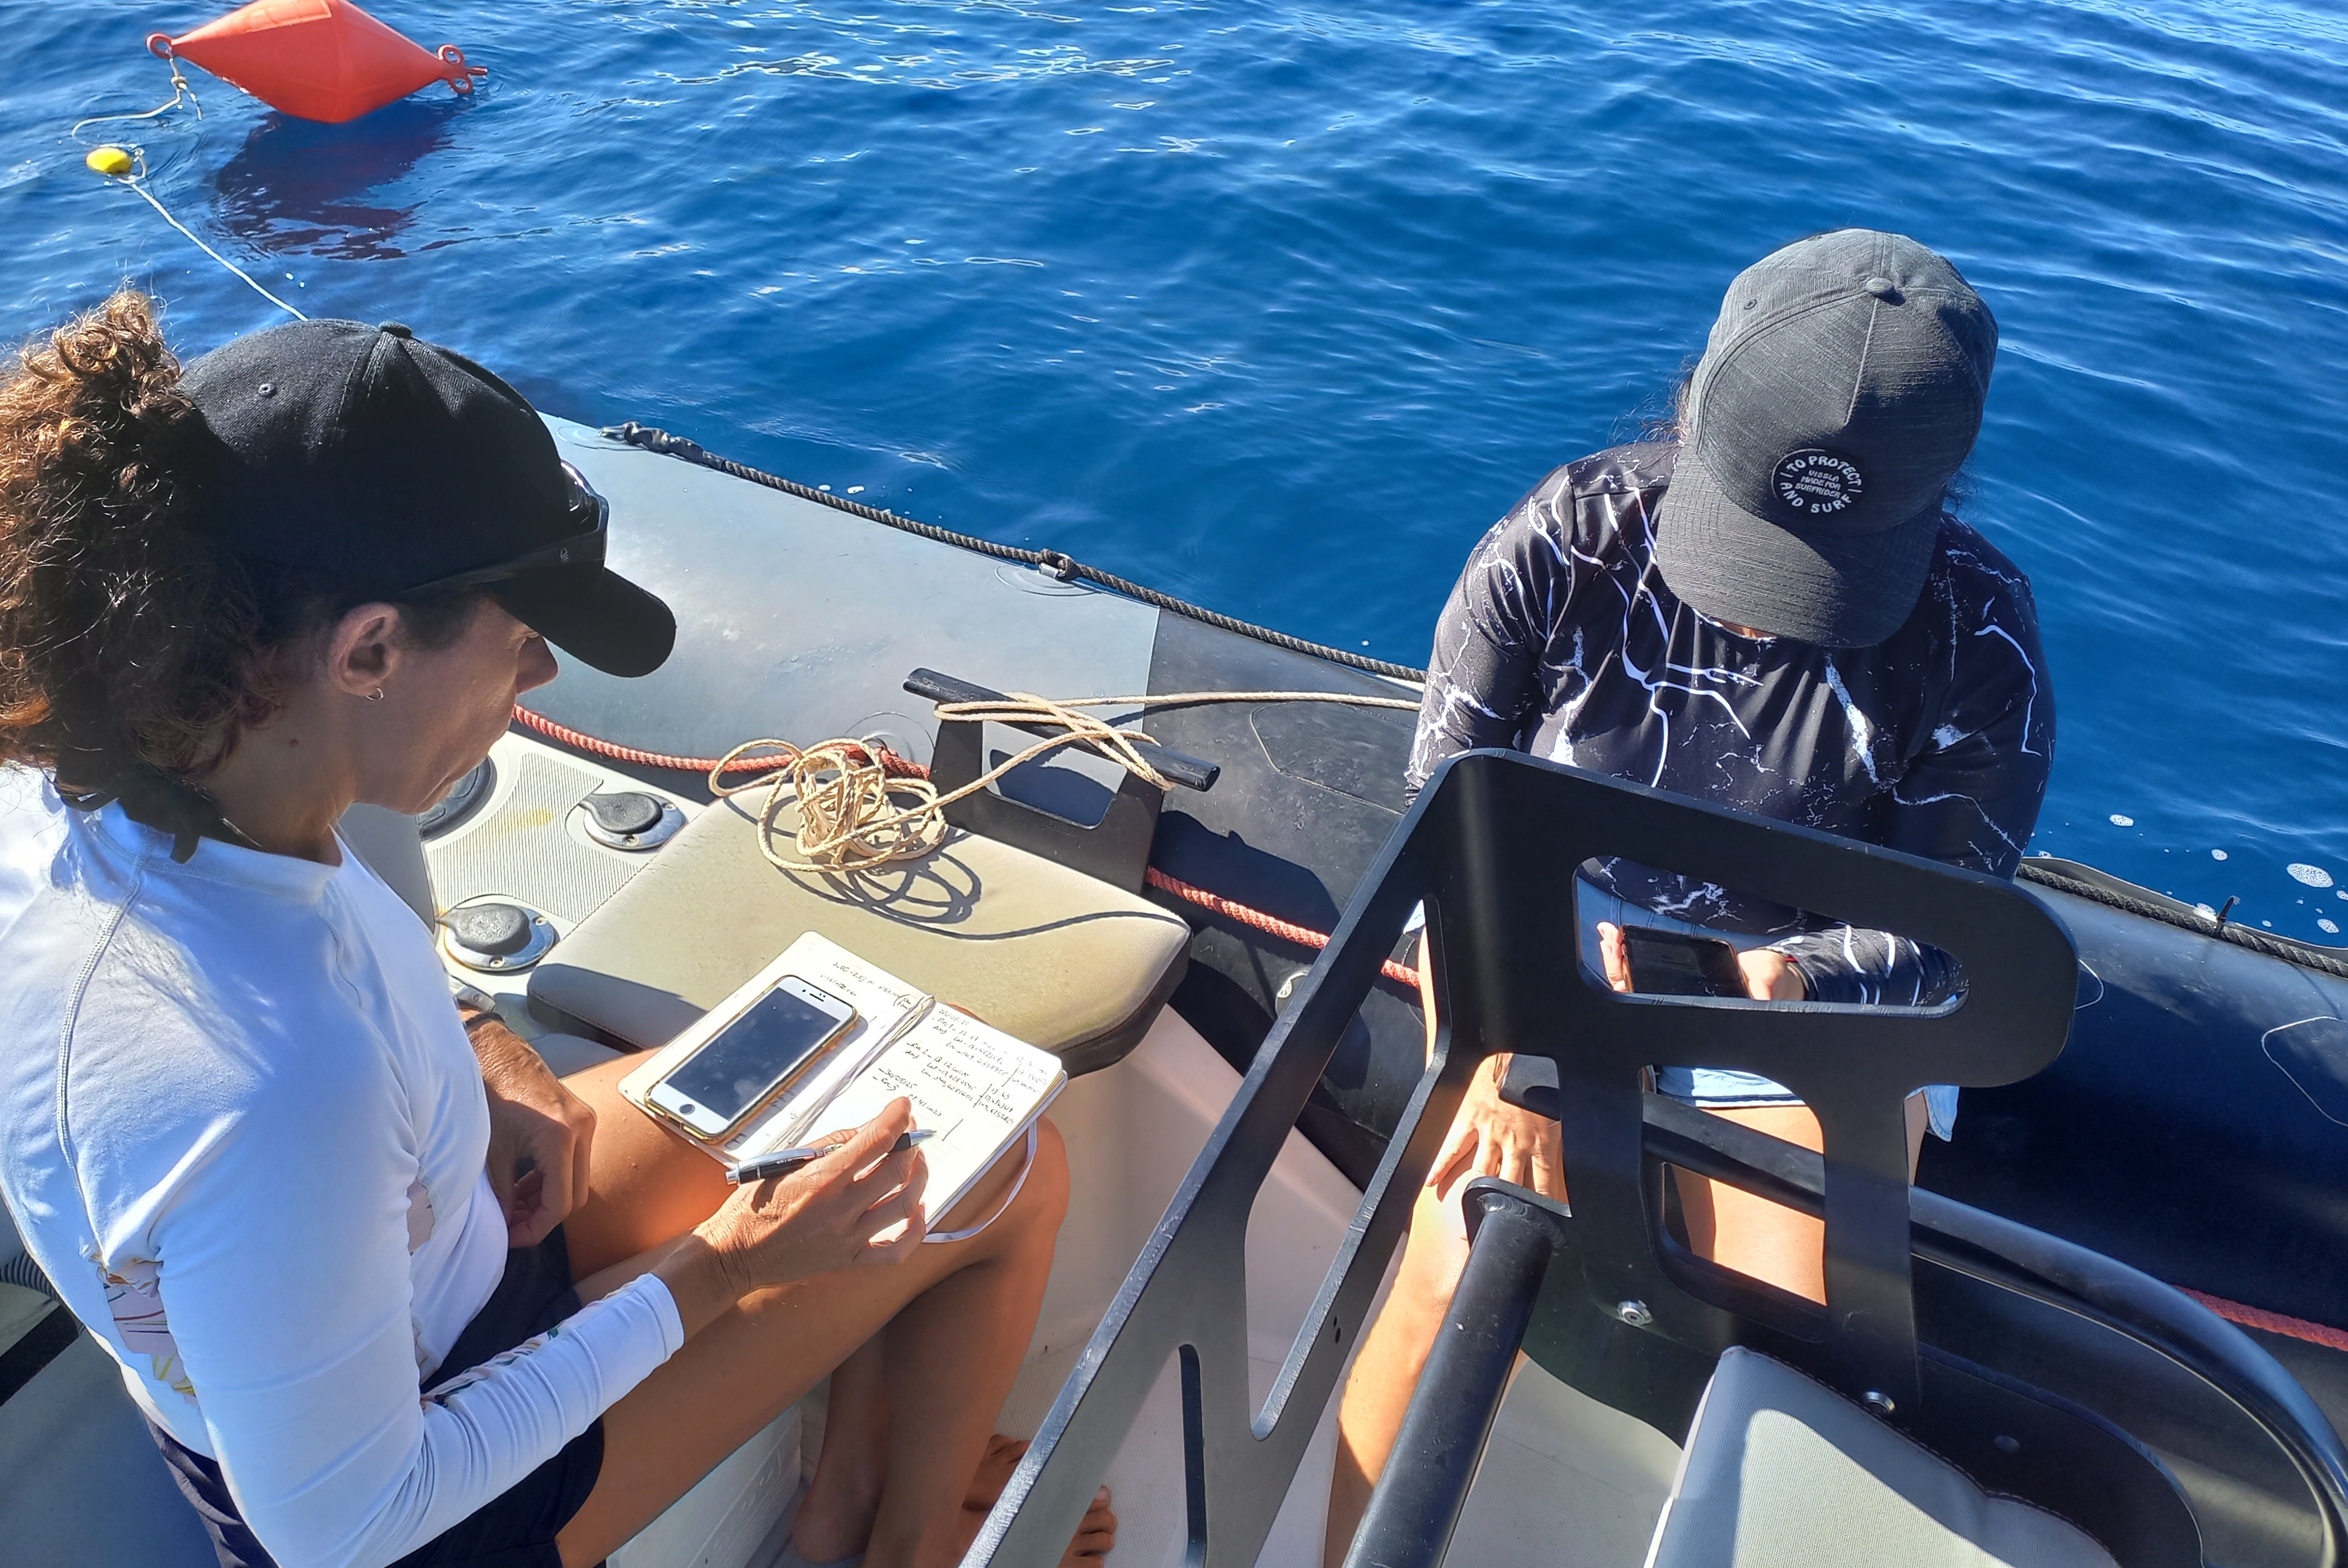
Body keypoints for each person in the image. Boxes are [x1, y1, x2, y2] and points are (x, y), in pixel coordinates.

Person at [0, 296, 1115, 1568]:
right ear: (367, 648)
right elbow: (345, 1530)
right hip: (441, 1507)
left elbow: (340, 959)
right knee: (1001, 1183)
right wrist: (727, 1267)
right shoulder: (266, 1080)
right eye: (525, 640)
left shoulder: (182, 764)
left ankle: (846, 1505)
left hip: (446, 1267)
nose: (536, 685)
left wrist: (479, 1039)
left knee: (959, 1107)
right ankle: (898, 1544)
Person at [1328, 229, 2054, 1557]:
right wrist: (1521, 1039)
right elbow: (1453, 818)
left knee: (1790, 1341)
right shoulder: (1566, 532)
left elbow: (1946, 926)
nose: (1768, 616)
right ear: (1693, 407)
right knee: (1452, 1248)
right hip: (1553, 953)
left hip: (1803, 1005)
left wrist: (1763, 988)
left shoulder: (1977, 634)